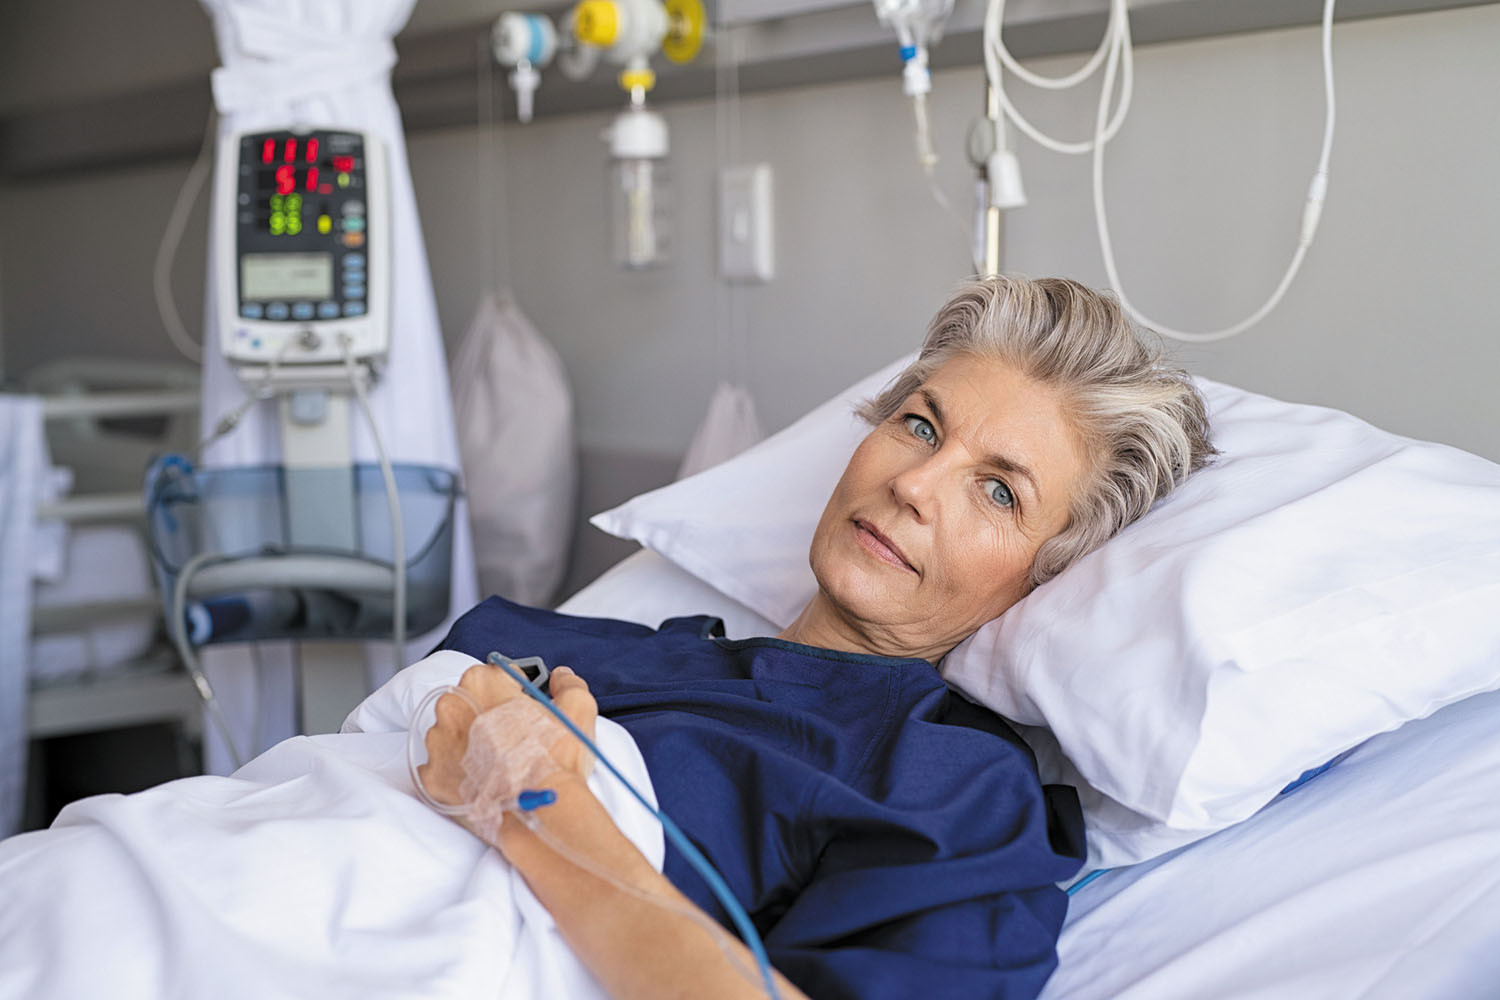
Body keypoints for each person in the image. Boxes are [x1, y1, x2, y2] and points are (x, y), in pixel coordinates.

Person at [418, 275, 1216, 1000]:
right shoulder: (602, 647)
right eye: (921, 427)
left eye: (999, 492)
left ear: (1051, 577)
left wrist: (534, 806)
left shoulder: (950, 788)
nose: (913, 484)